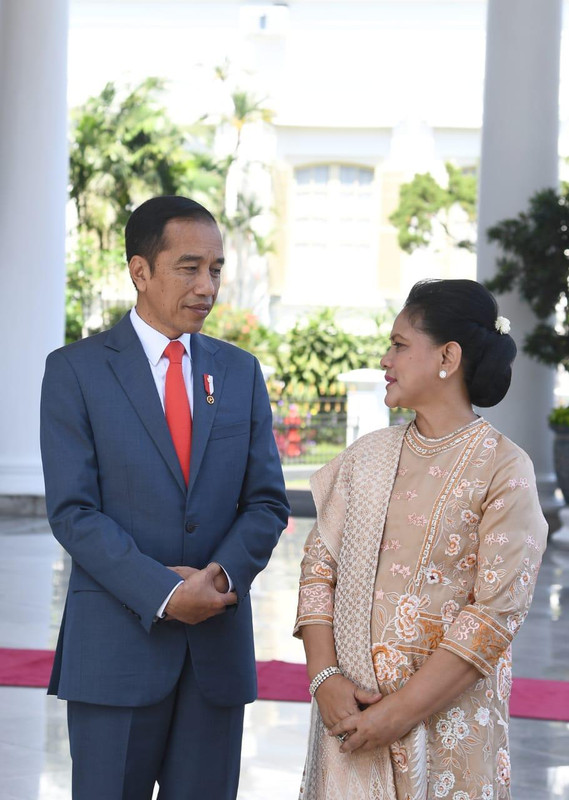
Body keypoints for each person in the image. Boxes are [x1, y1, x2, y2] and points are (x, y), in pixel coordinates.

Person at [40, 195, 289, 800]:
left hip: (216, 660)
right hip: (115, 655)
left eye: (217, 269)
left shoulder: (239, 372)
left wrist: (221, 578)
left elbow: (267, 502)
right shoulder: (74, 370)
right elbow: (73, 512)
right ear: (140, 270)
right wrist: (166, 592)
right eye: (189, 267)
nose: (208, 285)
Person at [294, 279, 548, 800]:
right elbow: (319, 568)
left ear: (447, 356)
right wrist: (325, 679)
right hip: (349, 723)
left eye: (400, 344)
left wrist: (396, 714)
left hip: (448, 736)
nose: (386, 359)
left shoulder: (503, 469)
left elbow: (494, 616)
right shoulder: (367, 457)